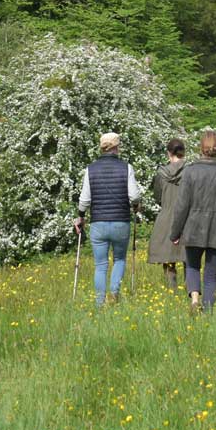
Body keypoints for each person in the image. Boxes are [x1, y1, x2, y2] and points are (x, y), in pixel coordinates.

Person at [167, 129, 216, 312]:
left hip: (193, 227)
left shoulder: (190, 172)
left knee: (192, 266)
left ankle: (194, 300)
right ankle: (208, 312)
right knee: (211, 275)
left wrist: (175, 233)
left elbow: (182, 206)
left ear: (201, 148)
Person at [74, 131, 142, 307]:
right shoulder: (126, 167)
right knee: (119, 259)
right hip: (121, 221)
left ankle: (99, 302)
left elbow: (84, 200)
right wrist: (136, 207)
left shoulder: (90, 169)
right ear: (117, 147)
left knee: (100, 265)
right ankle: (114, 294)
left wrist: (81, 217)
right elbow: (134, 196)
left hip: (98, 223)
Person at [148, 138, 187, 290]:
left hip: (166, 216)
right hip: (186, 217)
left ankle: (172, 290)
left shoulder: (161, 174)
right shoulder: (190, 171)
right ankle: (191, 290)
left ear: (168, 153)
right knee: (188, 258)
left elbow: (158, 197)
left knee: (168, 257)